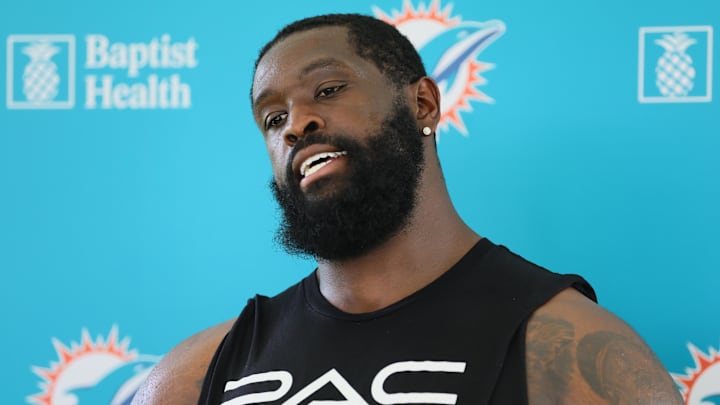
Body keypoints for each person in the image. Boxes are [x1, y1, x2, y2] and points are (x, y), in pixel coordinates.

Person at [132, 13, 683, 405]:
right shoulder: (196, 374)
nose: (296, 124)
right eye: (273, 119)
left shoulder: (568, 348)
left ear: (422, 102)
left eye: (327, 90)